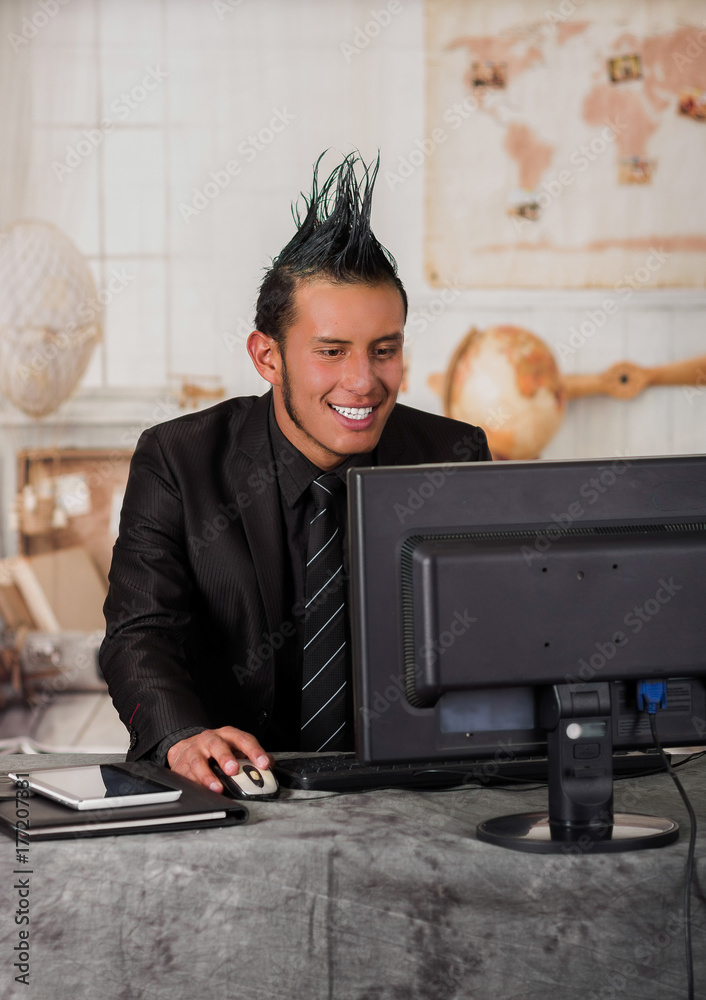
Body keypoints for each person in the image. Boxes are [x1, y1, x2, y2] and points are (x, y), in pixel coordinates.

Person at [100, 151, 491, 793]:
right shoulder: (178, 458)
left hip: (412, 788)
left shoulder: (453, 455)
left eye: (384, 350)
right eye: (331, 352)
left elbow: (488, 634)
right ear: (267, 356)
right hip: (239, 790)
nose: (364, 382)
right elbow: (141, 632)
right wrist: (181, 734)